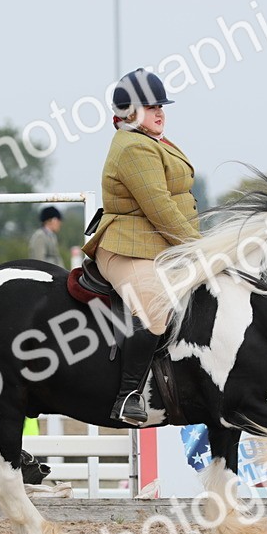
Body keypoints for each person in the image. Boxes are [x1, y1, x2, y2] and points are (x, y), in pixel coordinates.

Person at [83, 67, 198, 424]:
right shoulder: (134, 147)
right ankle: (129, 394)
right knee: (155, 309)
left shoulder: (153, 142)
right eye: (151, 107)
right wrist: (201, 248)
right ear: (129, 113)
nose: (160, 112)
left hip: (158, 246)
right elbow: (160, 208)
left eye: (161, 105)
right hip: (127, 249)